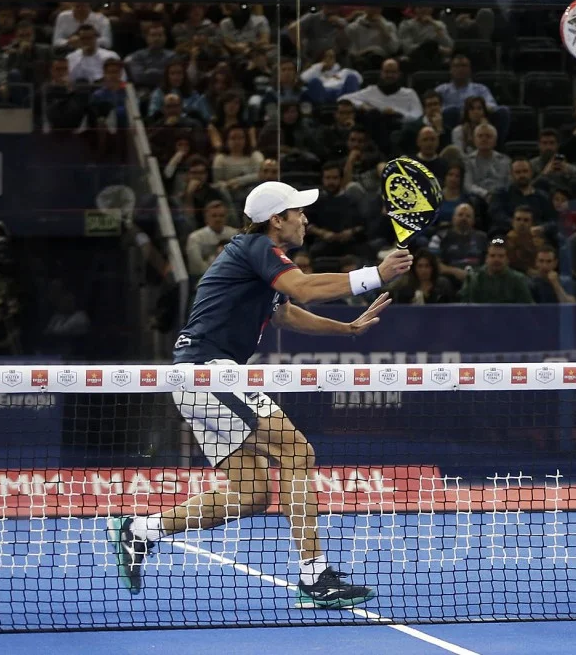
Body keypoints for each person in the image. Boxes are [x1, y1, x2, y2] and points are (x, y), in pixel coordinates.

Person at [109, 181, 413, 608]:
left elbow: (286, 311)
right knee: (297, 452)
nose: (305, 218)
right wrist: (376, 275)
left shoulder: (255, 263)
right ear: (276, 219)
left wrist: (346, 329)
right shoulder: (256, 248)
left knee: (252, 494)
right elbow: (303, 288)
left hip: (200, 379)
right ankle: (315, 577)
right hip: (208, 374)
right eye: (297, 212)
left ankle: (141, 532)